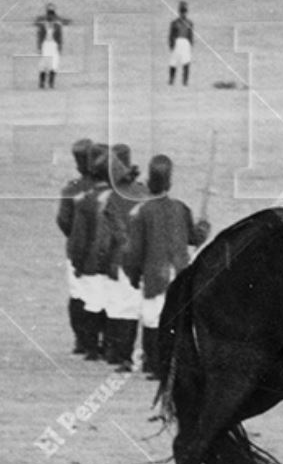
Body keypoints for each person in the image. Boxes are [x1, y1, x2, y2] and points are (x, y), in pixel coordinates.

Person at [124, 154, 211, 379]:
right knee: (175, 319)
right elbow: (194, 238)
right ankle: (171, 364)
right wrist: (203, 228)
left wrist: (133, 276)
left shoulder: (141, 212)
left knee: (153, 320)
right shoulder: (181, 208)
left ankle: (155, 366)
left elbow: (134, 253)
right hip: (179, 272)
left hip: (155, 275)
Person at [84, 144, 148, 369]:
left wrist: (101, 265)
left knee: (121, 309)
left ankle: (121, 355)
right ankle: (149, 359)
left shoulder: (111, 201)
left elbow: (104, 238)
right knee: (148, 311)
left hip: (120, 259)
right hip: (145, 259)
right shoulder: (144, 192)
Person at [55, 138, 96, 354]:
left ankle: (82, 340)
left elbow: (63, 221)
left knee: (78, 295)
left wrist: (75, 235)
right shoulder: (105, 188)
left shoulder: (71, 189)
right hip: (100, 251)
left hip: (76, 249)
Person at [36, 5, 65, 89]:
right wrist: (39, 47)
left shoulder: (57, 26)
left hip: (53, 45)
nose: (50, 16)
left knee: (54, 64)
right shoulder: (42, 25)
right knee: (43, 64)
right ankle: (42, 82)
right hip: (45, 45)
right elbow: (40, 37)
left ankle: (51, 82)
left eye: (52, 14)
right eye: (49, 14)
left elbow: (59, 38)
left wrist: (59, 48)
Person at [168, 1, 195, 87]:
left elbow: (190, 34)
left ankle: (185, 81)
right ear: (179, 12)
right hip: (177, 42)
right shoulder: (174, 23)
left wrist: (190, 44)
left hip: (185, 43)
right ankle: (171, 79)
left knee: (186, 62)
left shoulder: (189, 23)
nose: (183, 13)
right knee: (173, 62)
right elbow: (171, 34)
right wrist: (171, 44)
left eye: (184, 11)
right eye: (182, 11)